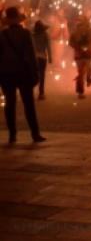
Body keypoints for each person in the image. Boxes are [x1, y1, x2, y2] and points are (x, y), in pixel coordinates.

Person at [0, 7, 45, 143]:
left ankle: (12, 134)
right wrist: (36, 72)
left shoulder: (1, 35)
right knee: (28, 104)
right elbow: (31, 55)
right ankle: (35, 134)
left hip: (6, 73)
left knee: (10, 104)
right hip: (23, 72)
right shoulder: (25, 34)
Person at [32, 20, 52, 100]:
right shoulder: (45, 35)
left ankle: (32, 90)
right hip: (42, 57)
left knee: (34, 73)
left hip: (34, 57)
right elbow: (48, 47)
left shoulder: (33, 35)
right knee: (42, 75)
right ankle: (41, 93)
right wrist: (50, 57)